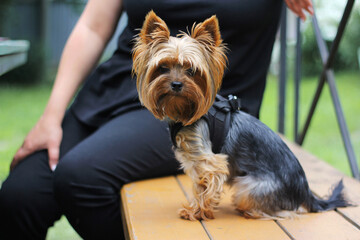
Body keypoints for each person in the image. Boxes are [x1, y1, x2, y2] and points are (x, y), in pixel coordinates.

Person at [0, 0, 313, 239]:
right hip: (116, 89)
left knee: (82, 177)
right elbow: (92, 27)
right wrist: (51, 115)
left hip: (201, 111)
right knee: (19, 196)